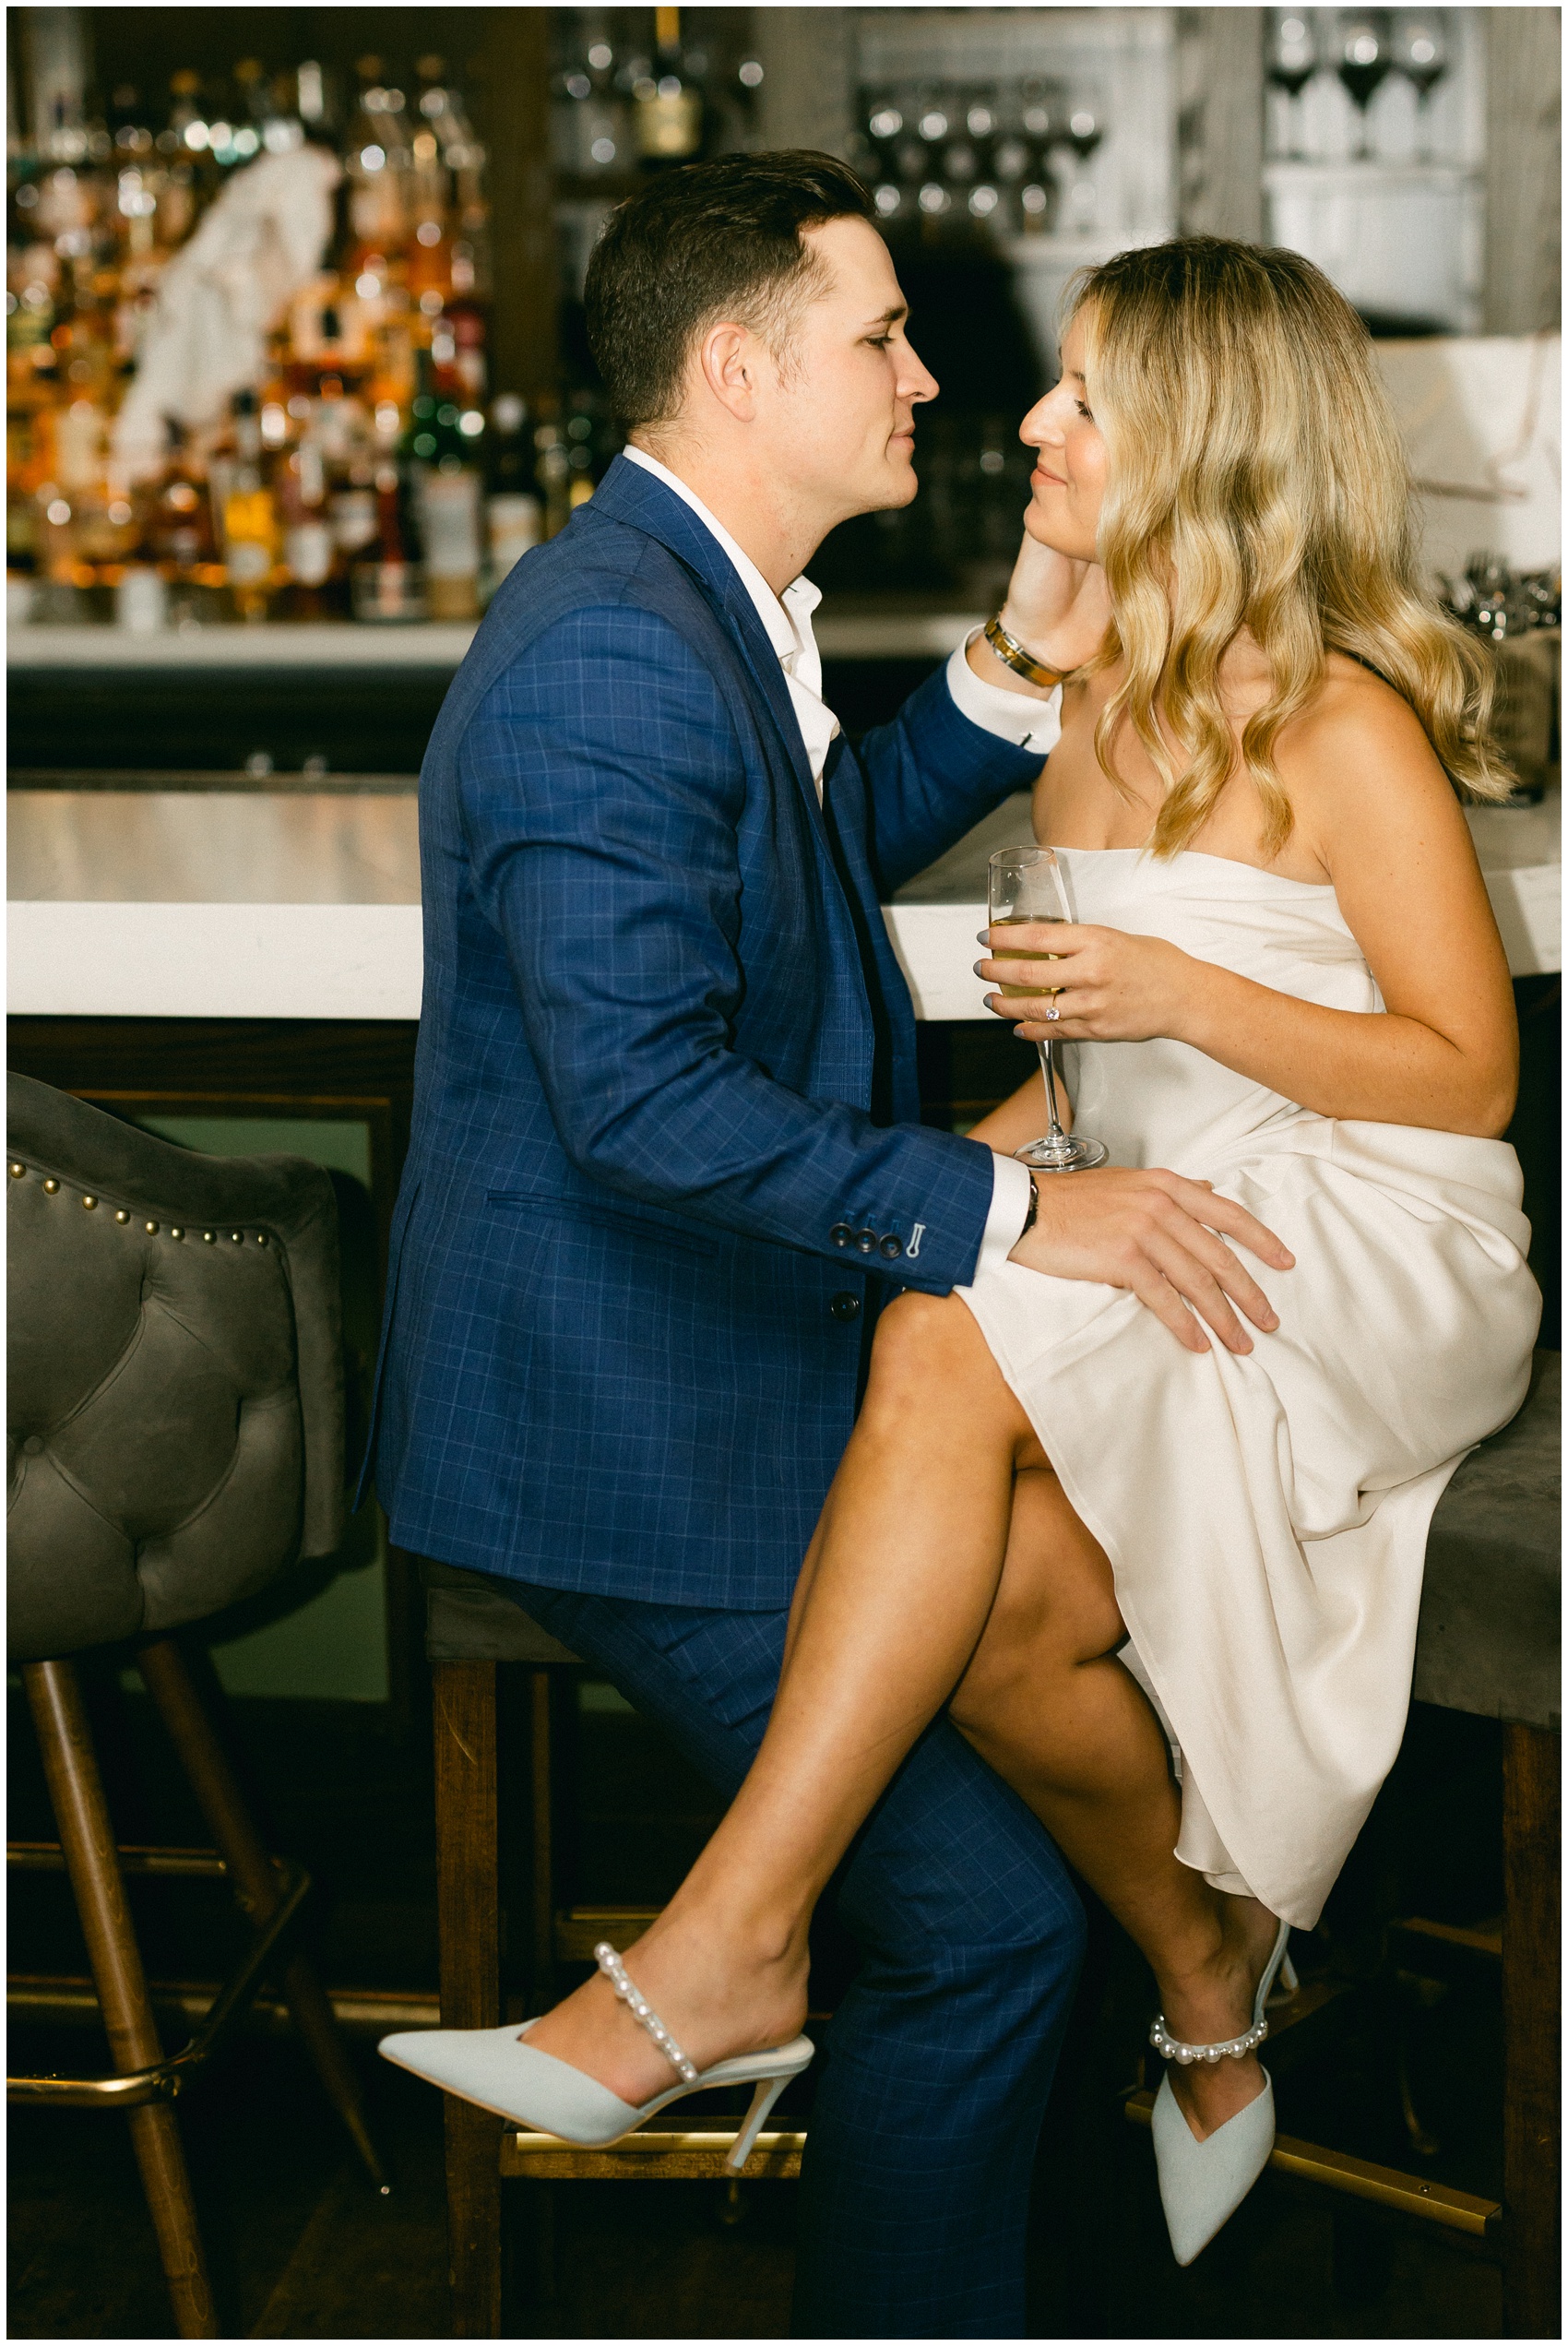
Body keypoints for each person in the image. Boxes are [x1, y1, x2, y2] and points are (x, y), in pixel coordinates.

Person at [387, 236, 1540, 2274]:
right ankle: (1205, 1975)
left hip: (1363, 1236)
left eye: (1080, 396)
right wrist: (1007, 1171)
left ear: (1197, 445)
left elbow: (1459, 1082)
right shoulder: (726, 655)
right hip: (1166, 1202)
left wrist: (1124, 1033)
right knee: (1002, 1592)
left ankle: (726, 1948)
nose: (993, 403)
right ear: (742, 372)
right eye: (888, 338)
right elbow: (1050, 1101)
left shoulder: (1338, 725)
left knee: (939, 1325)